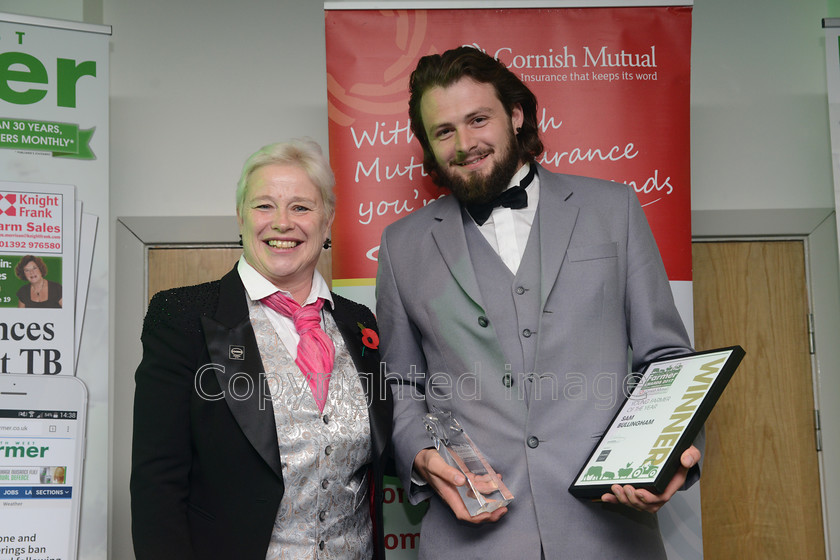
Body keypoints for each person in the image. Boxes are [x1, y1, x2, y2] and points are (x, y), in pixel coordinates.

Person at [375, 46, 700, 559]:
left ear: (516, 114)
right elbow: (401, 382)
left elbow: (665, 358)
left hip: (609, 530)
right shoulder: (401, 246)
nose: (465, 144)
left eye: (478, 119)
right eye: (444, 131)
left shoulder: (614, 209)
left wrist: (668, 456)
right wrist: (420, 453)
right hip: (471, 538)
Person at [131, 138, 392, 559]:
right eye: (264, 205)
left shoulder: (360, 322)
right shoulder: (181, 316)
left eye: (302, 207)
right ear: (241, 217)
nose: (282, 222)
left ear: (327, 221)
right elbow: (157, 482)